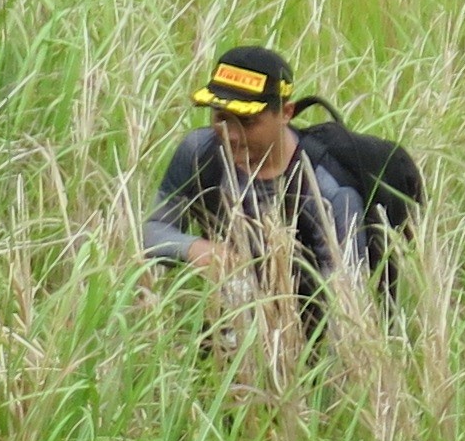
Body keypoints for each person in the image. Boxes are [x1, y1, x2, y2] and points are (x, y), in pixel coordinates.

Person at [143, 45, 367, 332]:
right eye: (221, 118)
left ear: (285, 113)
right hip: (225, 329)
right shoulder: (199, 153)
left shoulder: (327, 190)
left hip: (307, 339)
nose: (231, 135)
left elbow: (348, 305)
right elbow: (153, 230)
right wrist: (194, 248)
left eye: (247, 122)